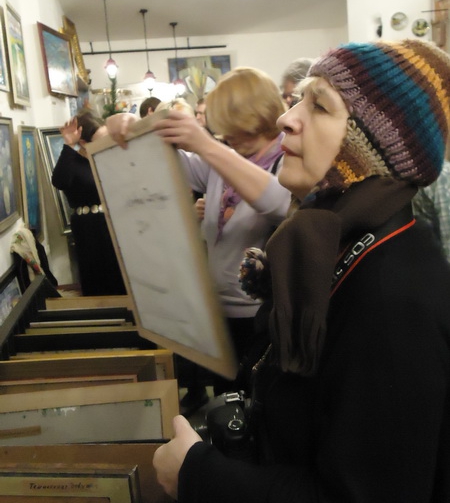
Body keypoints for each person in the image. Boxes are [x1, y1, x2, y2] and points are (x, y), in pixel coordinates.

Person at [153, 39, 450, 503]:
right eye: (298, 100)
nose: (286, 119)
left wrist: (198, 475)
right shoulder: (334, 245)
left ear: (371, 150)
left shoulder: (393, 301)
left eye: (320, 106)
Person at [107, 67, 291, 405]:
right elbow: (167, 163)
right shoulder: (226, 157)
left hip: (263, 322)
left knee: (261, 409)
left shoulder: (287, 160)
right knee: (227, 409)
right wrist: (133, 128)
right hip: (219, 315)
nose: (224, 134)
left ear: (254, 114)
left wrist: (206, 145)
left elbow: (279, 203)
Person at [52, 111, 126, 296]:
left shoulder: (110, 159)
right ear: (84, 143)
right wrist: (69, 145)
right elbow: (59, 181)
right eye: (102, 139)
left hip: (116, 224)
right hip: (89, 229)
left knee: (122, 279)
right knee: (98, 280)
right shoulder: (74, 162)